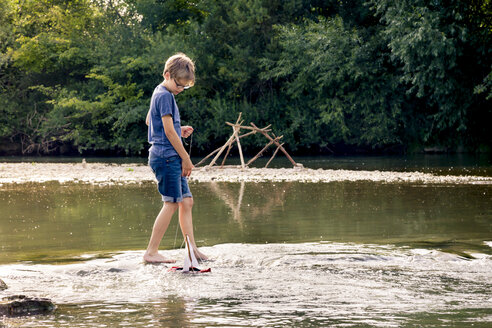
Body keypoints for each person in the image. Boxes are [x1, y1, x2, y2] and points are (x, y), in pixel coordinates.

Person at [143, 53, 207, 263]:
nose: (181, 89)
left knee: (186, 202)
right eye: (179, 84)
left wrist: (178, 129)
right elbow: (168, 133)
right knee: (171, 203)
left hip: (169, 154)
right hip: (166, 157)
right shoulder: (165, 95)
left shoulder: (159, 93)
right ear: (167, 75)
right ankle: (151, 252)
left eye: (185, 87)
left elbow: (149, 121)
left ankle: (192, 249)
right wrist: (186, 158)